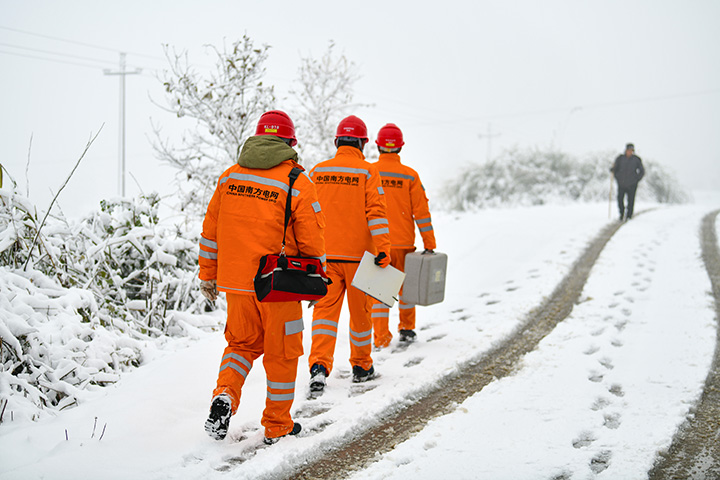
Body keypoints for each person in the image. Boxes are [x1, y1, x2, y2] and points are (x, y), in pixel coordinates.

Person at [199, 110, 326, 445]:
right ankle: (277, 424)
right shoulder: (296, 180)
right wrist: (317, 279)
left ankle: (225, 394)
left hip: (235, 283)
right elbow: (312, 238)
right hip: (277, 284)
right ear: (289, 142)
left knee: (240, 345)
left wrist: (208, 276)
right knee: (282, 353)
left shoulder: (229, 178)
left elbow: (210, 233)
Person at [307, 115, 392, 393]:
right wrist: (384, 250)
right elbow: (376, 215)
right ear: (363, 143)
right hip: (360, 260)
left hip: (325, 258)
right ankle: (361, 366)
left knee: (324, 315)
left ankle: (319, 367)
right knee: (361, 316)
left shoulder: (317, 172)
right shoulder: (368, 172)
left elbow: (304, 214)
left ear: (337, 141)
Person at [370, 123, 436, 347]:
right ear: (400, 147)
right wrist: (429, 244)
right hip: (404, 244)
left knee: (380, 292)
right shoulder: (410, 176)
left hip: (378, 245)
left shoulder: (370, 172)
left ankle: (380, 337)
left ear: (378, 146)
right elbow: (422, 214)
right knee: (406, 290)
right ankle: (406, 329)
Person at [611, 143, 645, 220]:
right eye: (628, 150)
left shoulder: (636, 159)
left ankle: (629, 215)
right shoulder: (620, 158)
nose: (630, 152)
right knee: (620, 199)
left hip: (632, 184)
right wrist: (615, 174)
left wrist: (636, 179)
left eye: (631, 150)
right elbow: (615, 168)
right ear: (625, 150)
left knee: (631, 200)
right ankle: (621, 214)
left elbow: (642, 171)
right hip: (621, 183)